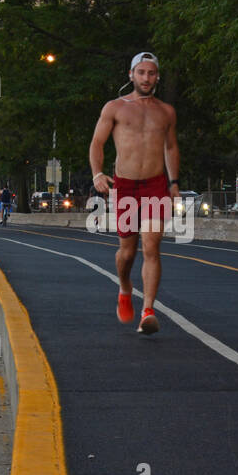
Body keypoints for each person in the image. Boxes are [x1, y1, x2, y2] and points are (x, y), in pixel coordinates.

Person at [89, 51, 180, 336]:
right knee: (127, 253)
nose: (146, 77)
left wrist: (174, 183)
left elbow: (171, 148)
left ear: (157, 77)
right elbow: (97, 143)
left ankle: (148, 310)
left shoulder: (166, 111)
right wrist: (97, 173)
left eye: (151, 73)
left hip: (155, 184)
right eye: (141, 72)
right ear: (131, 75)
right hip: (125, 186)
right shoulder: (115, 107)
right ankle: (125, 287)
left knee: (151, 248)